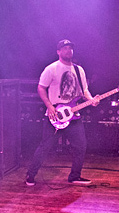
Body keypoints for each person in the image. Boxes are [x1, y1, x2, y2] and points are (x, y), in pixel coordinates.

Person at [25, 39, 99, 186]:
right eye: (65, 48)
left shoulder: (79, 70)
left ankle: (75, 176)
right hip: (55, 115)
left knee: (81, 146)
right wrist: (49, 106)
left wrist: (91, 99)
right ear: (58, 51)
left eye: (70, 48)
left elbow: (84, 90)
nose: (68, 51)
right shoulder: (51, 69)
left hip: (73, 115)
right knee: (45, 146)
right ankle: (30, 175)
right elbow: (41, 88)